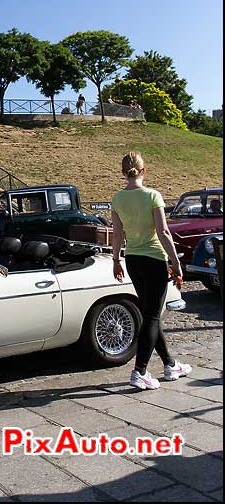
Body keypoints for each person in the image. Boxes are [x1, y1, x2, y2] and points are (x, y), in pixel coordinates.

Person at [111, 151, 191, 391]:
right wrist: (176, 263)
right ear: (144, 170)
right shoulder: (153, 196)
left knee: (150, 315)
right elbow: (164, 232)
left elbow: (117, 234)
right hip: (154, 258)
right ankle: (140, 371)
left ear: (123, 172)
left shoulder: (117, 199)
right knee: (153, 316)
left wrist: (115, 260)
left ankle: (170, 364)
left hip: (132, 259)